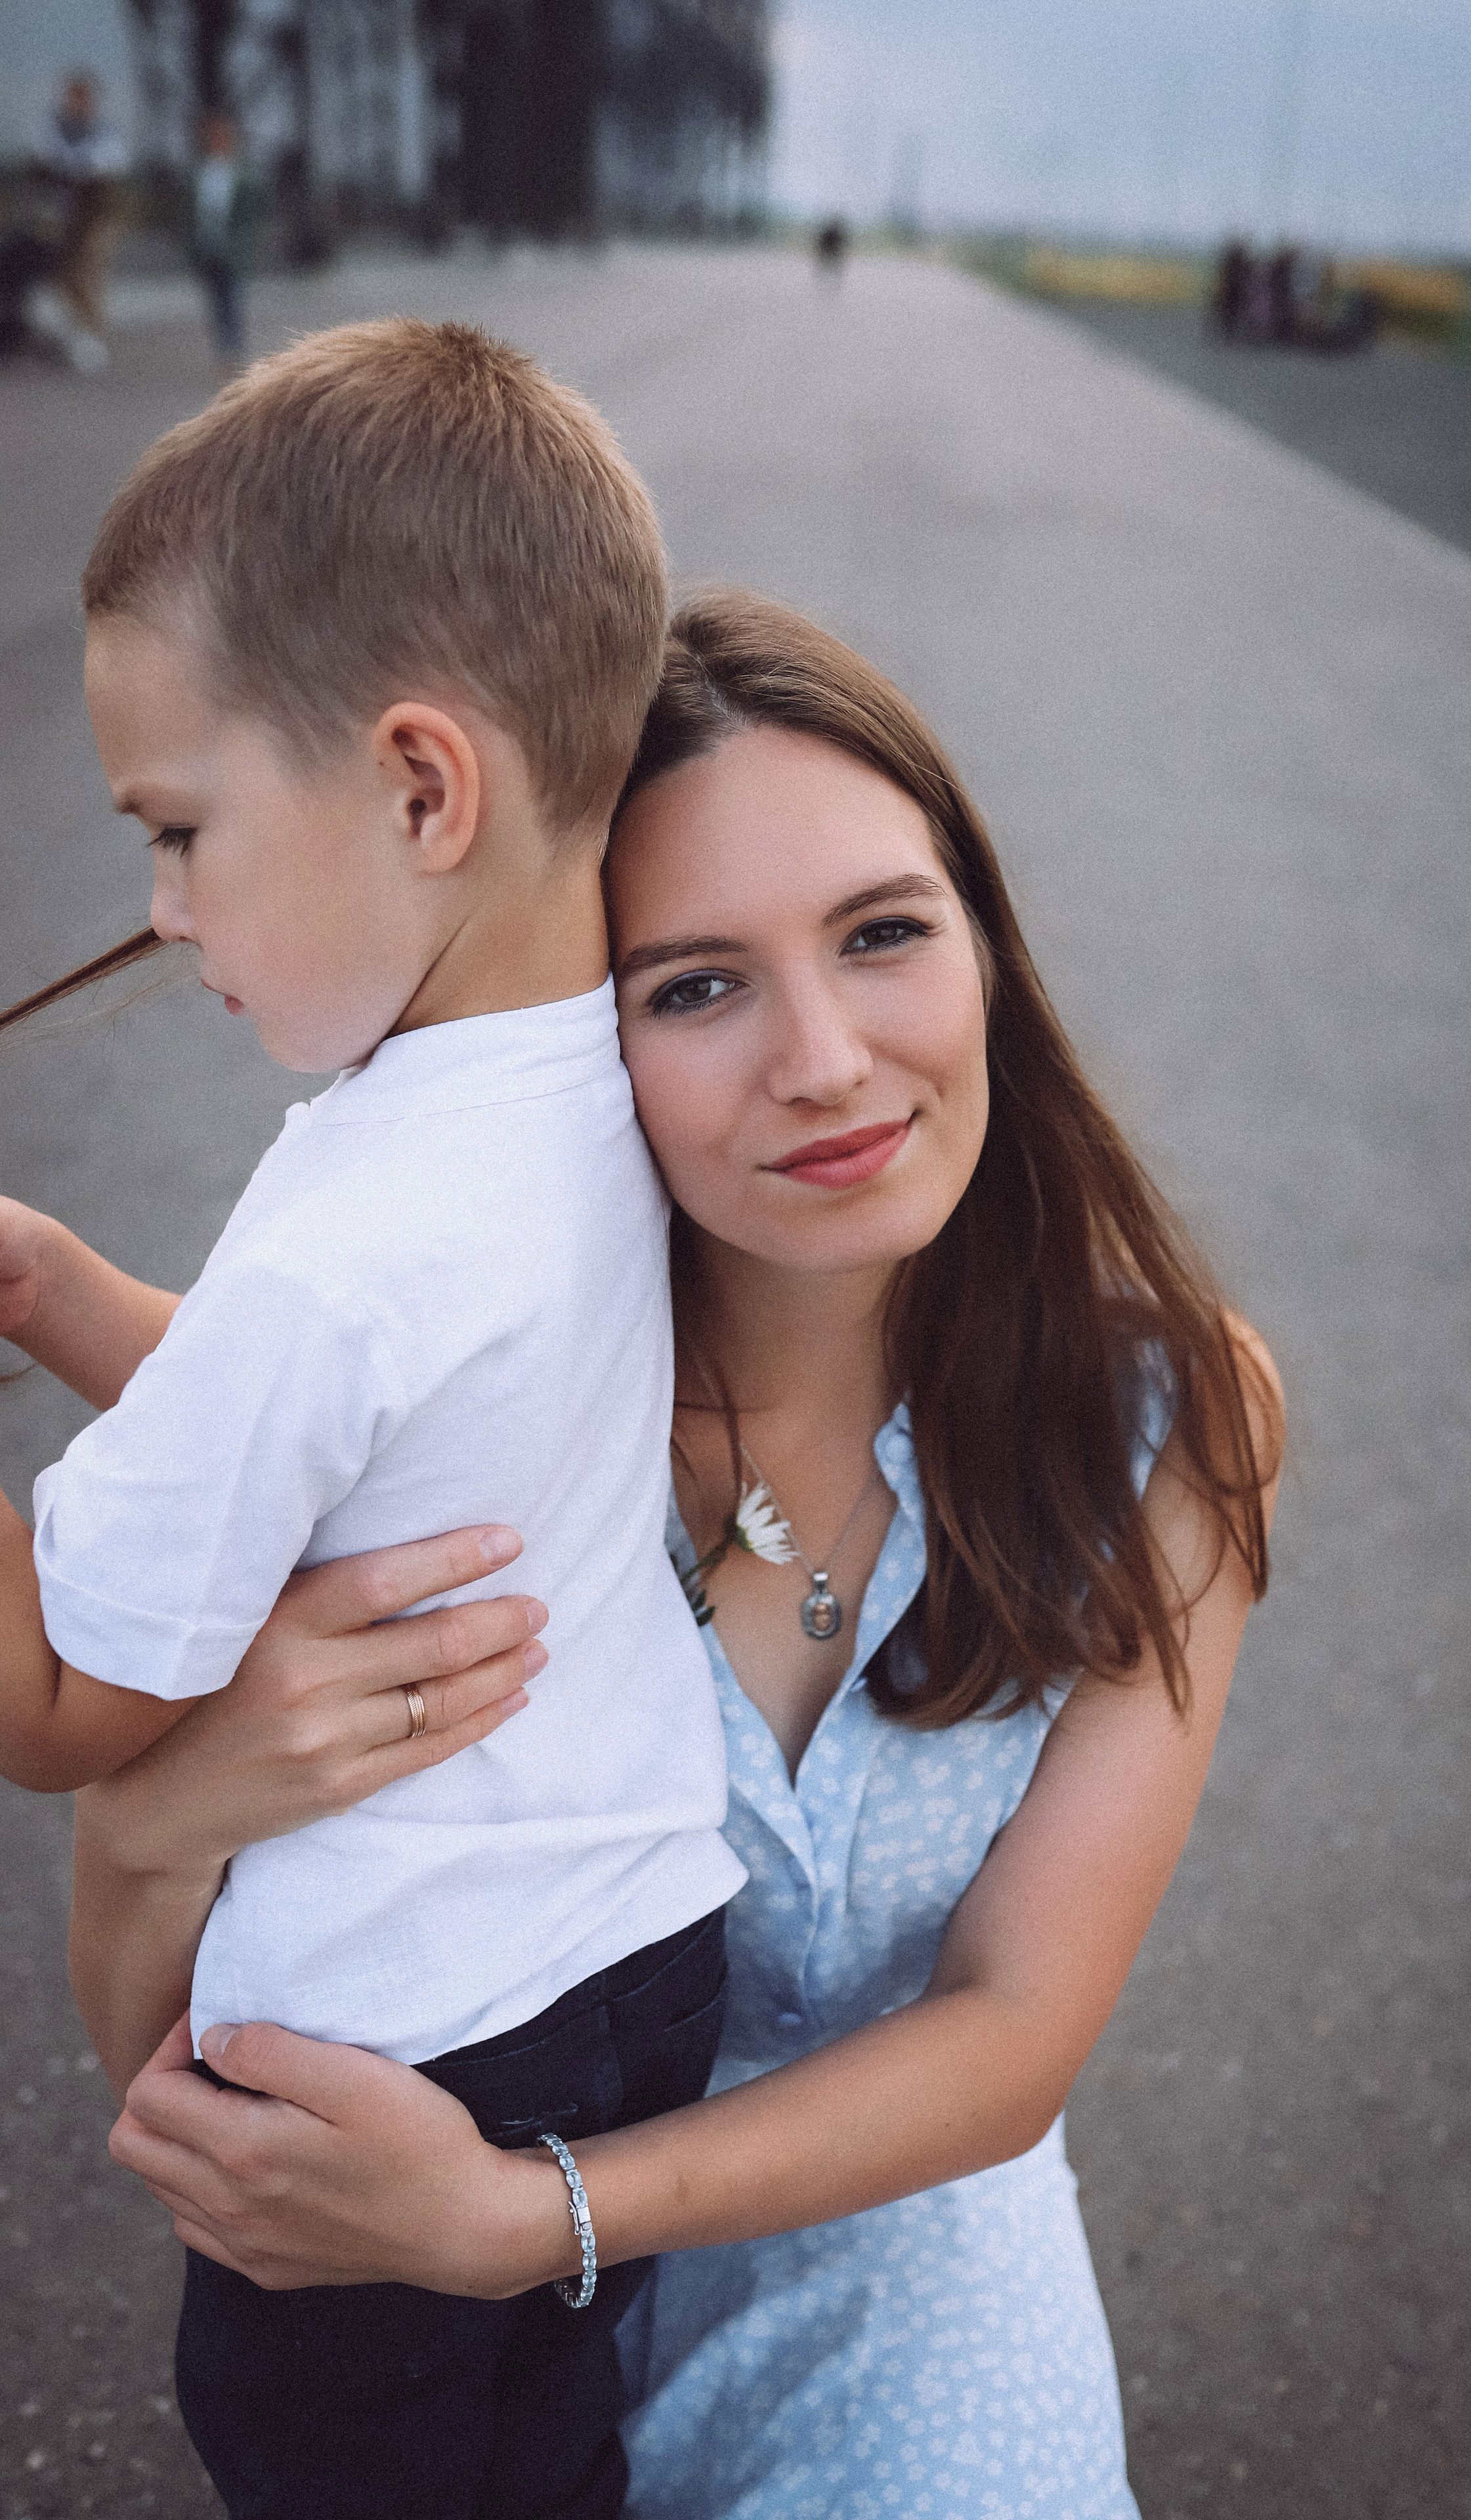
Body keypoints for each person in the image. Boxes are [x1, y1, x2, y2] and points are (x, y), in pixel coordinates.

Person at [9, 592, 1283, 2514]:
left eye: (881, 933)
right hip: (442, 2325)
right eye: (693, 984)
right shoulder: (444, 1410)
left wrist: (526, 2214)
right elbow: (183, 2084)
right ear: (572, 1049)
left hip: (879, 2273)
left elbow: (1012, 2032)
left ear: (984, 945)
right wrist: (169, 1807)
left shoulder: (1162, 1419)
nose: (830, 1060)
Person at [0, 324, 747, 2519]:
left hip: (385, 2072)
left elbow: (63, 1695)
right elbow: (352, 1445)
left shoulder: (343, 1232)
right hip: (632, 1976)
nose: (161, 916)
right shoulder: (614, 1075)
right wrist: (56, 1300)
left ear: (423, 790)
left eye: (180, 832)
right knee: (542, 2462)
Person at [28, 70, 129, 372]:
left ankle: (91, 336)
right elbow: (42, 159)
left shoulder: (104, 132)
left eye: (83, 97)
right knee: (63, 276)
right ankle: (78, 333)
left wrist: (76, 166)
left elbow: (106, 166)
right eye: (73, 96)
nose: (77, 103)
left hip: (97, 220)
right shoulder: (51, 128)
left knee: (88, 273)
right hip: (60, 220)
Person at [187, 112, 266, 370]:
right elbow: (190, 212)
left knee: (232, 298)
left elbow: (254, 212)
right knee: (215, 300)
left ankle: (234, 350)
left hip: (232, 248)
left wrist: (245, 241)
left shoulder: (243, 175)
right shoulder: (199, 173)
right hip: (207, 246)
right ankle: (221, 349)